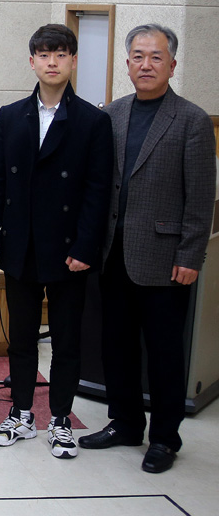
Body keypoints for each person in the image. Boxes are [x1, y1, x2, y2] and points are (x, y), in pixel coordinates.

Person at [79, 24, 215, 474]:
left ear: (172, 64)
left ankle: (165, 438)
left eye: (156, 57)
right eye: (138, 56)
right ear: (127, 62)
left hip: (164, 258)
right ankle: (125, 423)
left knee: (163, 352)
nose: (146, 64)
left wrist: (190, 257)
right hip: (112, 253)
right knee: (115, 345)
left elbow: (200, 198)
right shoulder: (112, 114)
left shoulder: (192, 120)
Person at [0, 24, 113, 459]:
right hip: (18, 244)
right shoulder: (11, 114)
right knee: (20, 337)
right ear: (31, 61)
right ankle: (20, 412)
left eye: (60, 54)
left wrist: (86, 247)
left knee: (67, 340)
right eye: (43, 54)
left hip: (69, 246)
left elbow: (98, 190)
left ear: (73, 61)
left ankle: (59, 419)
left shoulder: (93, 120)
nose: (51, 62)